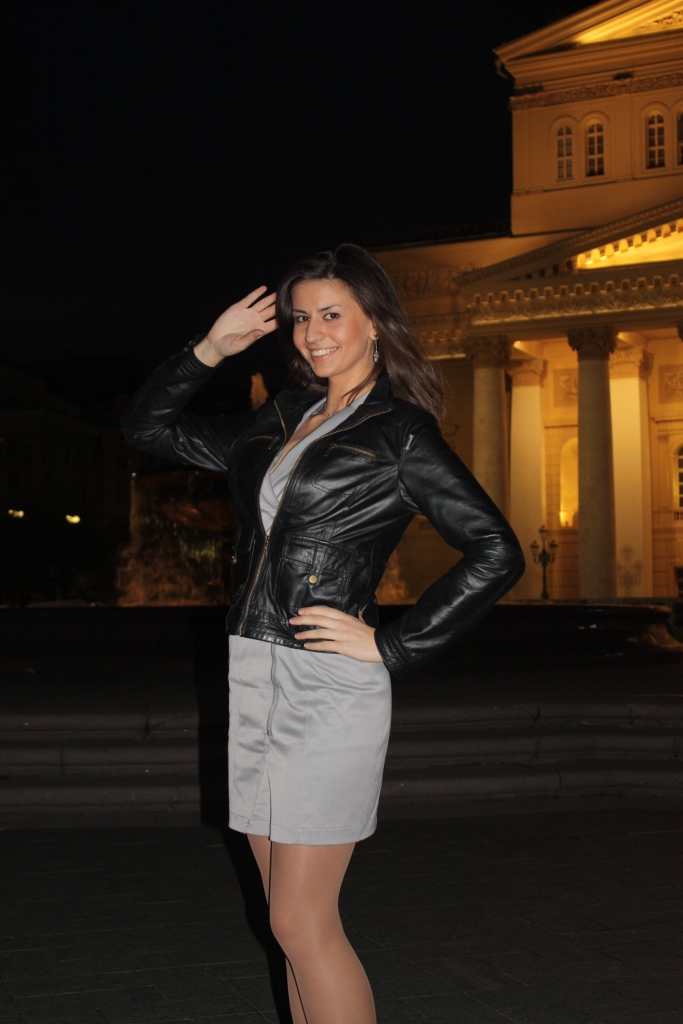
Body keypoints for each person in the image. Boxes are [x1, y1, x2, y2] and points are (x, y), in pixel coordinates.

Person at [121, 243, 525, 1024]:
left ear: (374, 322)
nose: (312, 333)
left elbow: (495, 550)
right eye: (301, 318)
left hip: (324, 683)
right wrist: (210, 350)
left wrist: (392, 645)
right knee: (285, 927)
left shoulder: (399, 431)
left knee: (302, 922)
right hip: (253, 670)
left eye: (331, 314)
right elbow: (147, 428)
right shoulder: (281, 417)